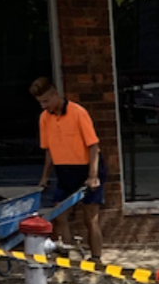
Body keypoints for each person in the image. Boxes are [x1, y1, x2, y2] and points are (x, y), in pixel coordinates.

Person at [30, 76, 104, 263]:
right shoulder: (44, 118)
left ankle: (96, 258)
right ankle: (70, 257)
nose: (44, 105)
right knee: (59, 216)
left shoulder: (78, 112)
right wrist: (44, 177)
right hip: (64, 171)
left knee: (90, 218)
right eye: (40, 102)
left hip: (87, 169)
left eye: (46, 101)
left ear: (56, 94)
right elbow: (48, 150)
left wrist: (93, 176)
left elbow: (93, 145)